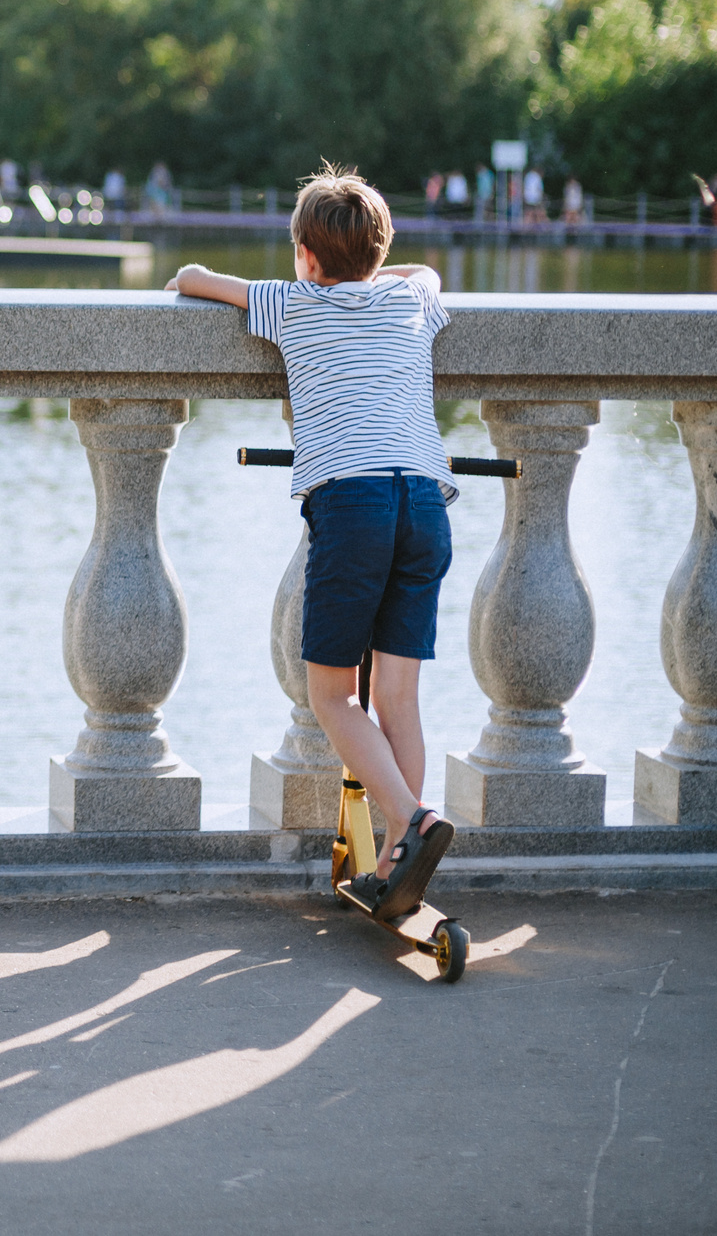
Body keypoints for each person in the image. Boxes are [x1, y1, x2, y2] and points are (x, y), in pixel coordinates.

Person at [169, 166, 457, 919]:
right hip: (425, 500)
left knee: (330, 693)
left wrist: (208, 272)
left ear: (303, 253)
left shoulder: (292, 302)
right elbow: (424, 268)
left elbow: (197, 280)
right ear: (380, 248)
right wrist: (373, 262)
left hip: (354, 502)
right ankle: (402, 858)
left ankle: (410, 820)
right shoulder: (411, 294)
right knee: (397, 695)